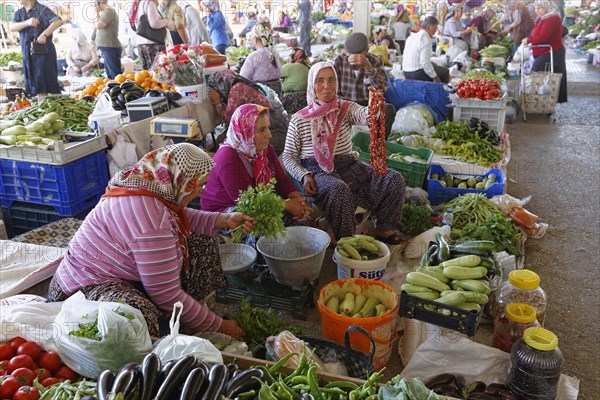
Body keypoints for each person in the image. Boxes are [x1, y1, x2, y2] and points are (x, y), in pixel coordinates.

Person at [47, 143, 255, 340]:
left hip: (119, 272)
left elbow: (179, 216)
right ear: (184, 183)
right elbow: (166, 294)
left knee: (202, 239)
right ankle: (173, 331)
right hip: (81, 291)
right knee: (134, 318)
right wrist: (219, 325)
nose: (201, 191)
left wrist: (223, 220)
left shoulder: (147, 186)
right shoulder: (151, 221)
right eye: (200, 184)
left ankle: (190, 318)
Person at [282, 62, 406, 243]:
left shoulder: (345, 109)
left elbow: (364, 115)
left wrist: (373, 107)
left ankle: (384, 228)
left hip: (348, 165)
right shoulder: (299, 119)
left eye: (331, 80)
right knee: (339, 190)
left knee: (393, 179)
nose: (327, 86)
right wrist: (304, 175)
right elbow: (288, 156)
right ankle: (346, 241)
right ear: (312, 85)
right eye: (320, 81)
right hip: (316, 171)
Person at [202, 104, 312, 224]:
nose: (269, 135)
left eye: (268, 128)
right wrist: (287, 205)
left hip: (259, 201)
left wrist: (298, 200)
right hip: (225, 212)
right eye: (261, 130)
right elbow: (248, 201)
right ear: (244, 131)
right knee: (261, 222)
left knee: (306, 202)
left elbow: (281, 180)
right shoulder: (227, 157)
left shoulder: (264, 150)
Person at [208, 70, 289, 154]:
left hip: (273, 131)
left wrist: (217, 102)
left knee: (223, 141)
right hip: (273, 128)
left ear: (220, 85)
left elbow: (230, 120)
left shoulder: (237, 89)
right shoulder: (240, 85)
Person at [333, 32, 396, 139]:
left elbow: (383, 88)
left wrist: (368, 68)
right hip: (345, 103)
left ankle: (378, 144)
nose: (354, 58)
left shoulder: (375, 61)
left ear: (367, 51)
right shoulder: (339, 61)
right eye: (351, 54)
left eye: (359, 54)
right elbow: (334, 91)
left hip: (367, 104)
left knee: (388, 109)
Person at [10, 0, 63, 98]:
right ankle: (40, 106)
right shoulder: (19, 12)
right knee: (33, 85)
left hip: (44, 55)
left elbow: (58, 21)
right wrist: (27, 22)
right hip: (27, 54)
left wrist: (44, 34)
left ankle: (55, 107)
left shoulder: (42, 10)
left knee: (48, 83)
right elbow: (12, 27)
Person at [523, 0, 567, 103]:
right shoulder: (543, 18)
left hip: (552, 52)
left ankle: (541, 101)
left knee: (539, 75)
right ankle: (540, 101)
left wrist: (528, 40)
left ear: (546, 7)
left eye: (539, 8)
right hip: (544, 51)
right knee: (541, 76)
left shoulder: (552, 18)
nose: (537, 11)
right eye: (536, 8)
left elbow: (543, 37)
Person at [403, 16, 450, 83]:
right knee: (445, 71)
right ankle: (441, 91)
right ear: (429, 27)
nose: (436, 30)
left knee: (434, 66)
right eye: (435, 27)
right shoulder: (425, 38)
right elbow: (424, 63)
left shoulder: (412, 36)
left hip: (405, 71)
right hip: (416, 73)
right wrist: (435, 77)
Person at [240, 23, 283, 96]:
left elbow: (242, 78)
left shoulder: (254, 56)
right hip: (277, 94)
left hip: (261, 96)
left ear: (255, 39)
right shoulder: (275, 53)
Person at [135, 0, 167, 70]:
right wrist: (166, 21)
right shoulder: (149, 3)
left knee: (147, 74)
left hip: (141, 43)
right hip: (152, 43)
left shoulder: (138, 4)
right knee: (157, 73)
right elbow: (154, 24)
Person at [94, 0, 122, 79]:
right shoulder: (105, 13)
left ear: (99, 3)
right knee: (110, 75)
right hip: (107, 48)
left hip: (111, 47)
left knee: (115, 75)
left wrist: (96, 13)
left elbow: (99, 25)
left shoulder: (110, 12)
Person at [281, 47, 310, 115]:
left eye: (290, 56)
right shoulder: (308, 66)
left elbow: (275, 73)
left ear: (295, 56)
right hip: (306, 100)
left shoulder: (289, 67)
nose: (289, 58)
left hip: (291, 101)